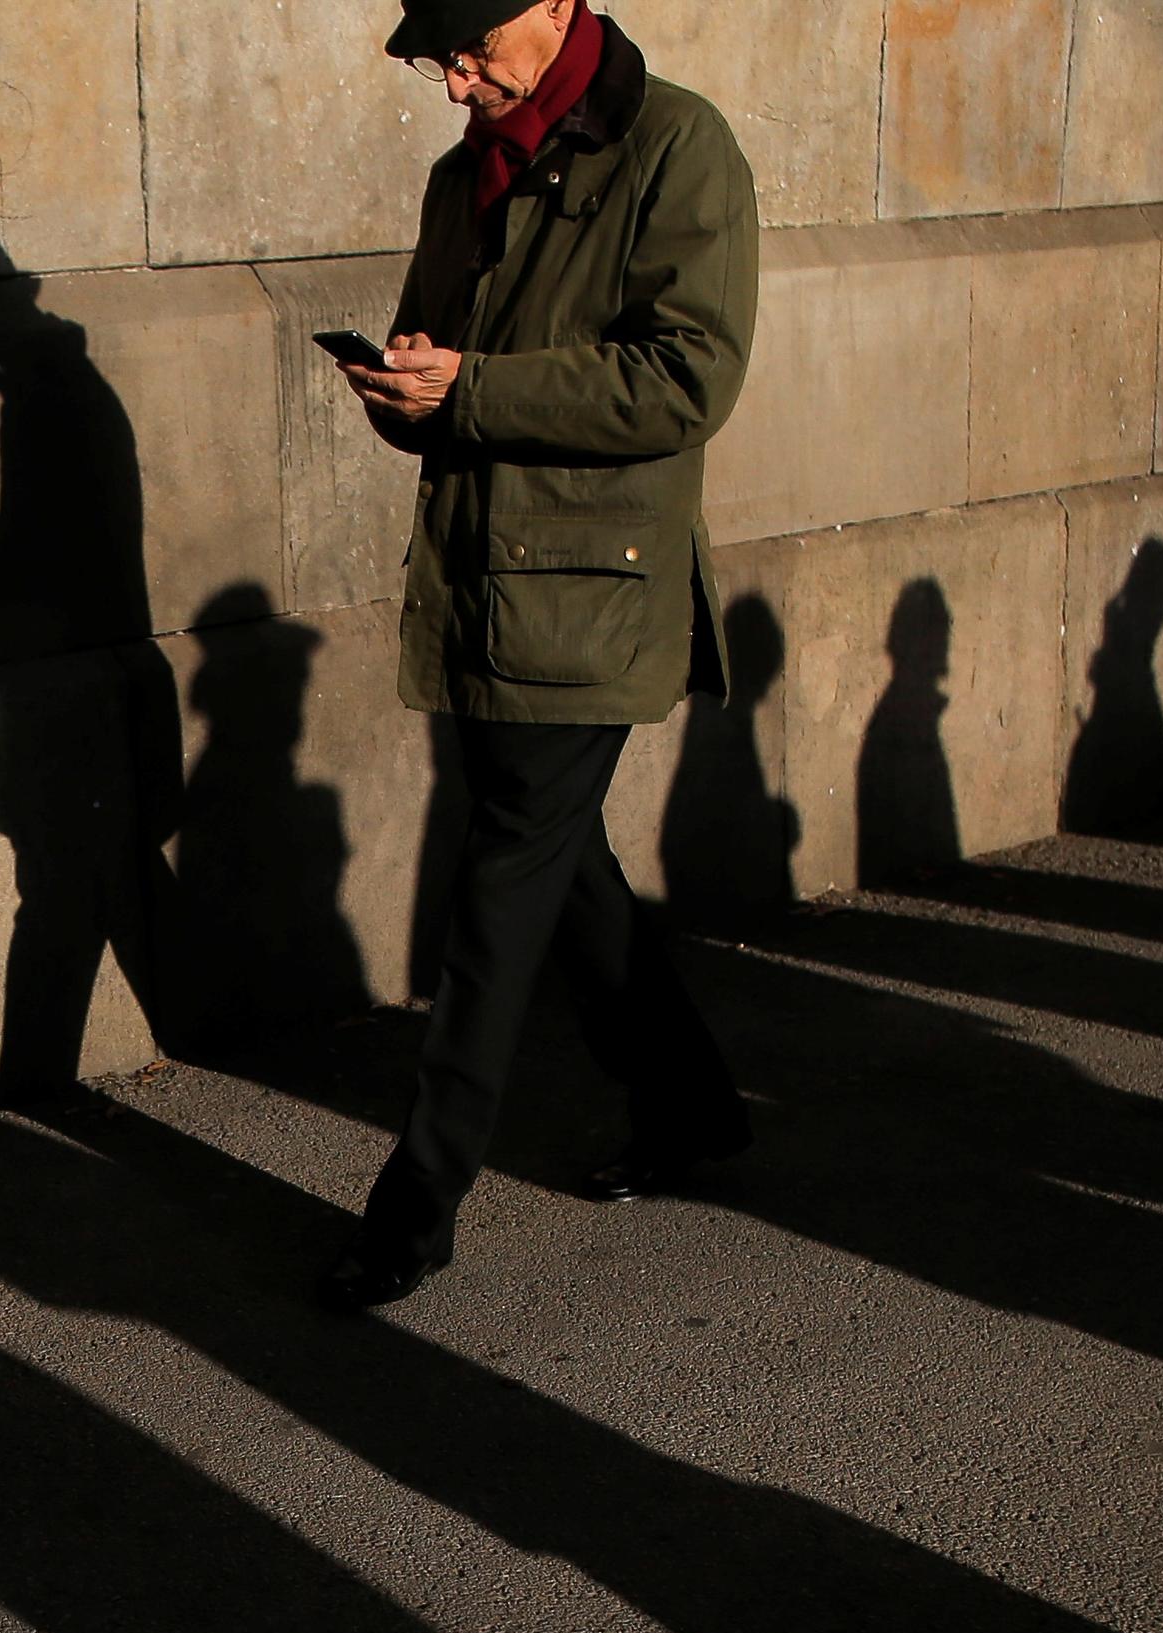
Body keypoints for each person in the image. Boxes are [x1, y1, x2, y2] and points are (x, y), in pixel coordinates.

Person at [319, 0, 760, 1309]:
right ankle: (689, 1106)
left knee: (502, 885)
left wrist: (475, 392)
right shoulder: (466, 176)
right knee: (562, 870)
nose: (455, 80)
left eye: (470, 48)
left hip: (590, 592)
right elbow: (447, 377)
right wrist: (408, 393)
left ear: (556, 3)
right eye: (437, 58)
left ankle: (418, 1199)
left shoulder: (679, 149)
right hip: (480, 581)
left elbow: (690, 379)